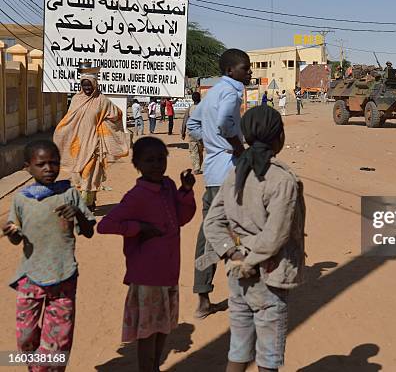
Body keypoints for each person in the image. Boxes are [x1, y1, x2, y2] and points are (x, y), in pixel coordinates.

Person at [202, 105, 305, 372]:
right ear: (278, 138)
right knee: (268, 356)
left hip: (236, 273)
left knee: (238, 348)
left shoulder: (236, 172)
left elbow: (212, 222)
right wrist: (251, 260)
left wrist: (233, 254)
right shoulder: (282, 180)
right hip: (269, 275)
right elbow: (276, 235)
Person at [98, 137, 196, 372]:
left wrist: (186, 190)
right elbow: (106, 225)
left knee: (164, 327)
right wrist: (138, 228)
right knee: (148, 331)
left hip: (169, 272)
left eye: (161, 159)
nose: (156, 165)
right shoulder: (136, 196)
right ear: (137, 164)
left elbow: (180, 219)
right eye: (149, 160)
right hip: (147, 277)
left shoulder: (169, 186)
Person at [3, 140, 95, 370]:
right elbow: (17, 238)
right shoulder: (22, 199)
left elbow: (89, 231)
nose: (48, 168)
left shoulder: (69, 194)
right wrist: (11, 232)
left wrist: (77, 214)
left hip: (63, 276)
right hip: (30, 276)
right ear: (28, 167)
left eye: (54, 163)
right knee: (25, 338)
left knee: (59, 341)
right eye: (41, 164)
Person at [187, 48, 252, 319]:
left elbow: (192, 123)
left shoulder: (211, 92)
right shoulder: (231, 92)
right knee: (243, 230)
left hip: (214, 171)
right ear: (230, 71)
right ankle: (245, 293)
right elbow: (226, 123)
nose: (249, 72)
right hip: (229, 172)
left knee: (208, 234)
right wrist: (237, 148)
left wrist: (210, 144)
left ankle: (203, 296)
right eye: (245, 68)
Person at [53, 61, 130, 211]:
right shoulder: (76, 99)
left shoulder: (102, 101)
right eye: (84, 85)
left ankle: (84, 206)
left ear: (95, 84)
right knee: (77, 176)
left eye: (89, 85)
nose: (87, 88)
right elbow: (69, 120)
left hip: (94, 143)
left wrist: (104, 126)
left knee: (89, 174)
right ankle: (91, 201)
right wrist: (61, 132)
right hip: (77, 144)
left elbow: (117, 114)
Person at [182, 92, 204, 175]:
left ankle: (196, 167)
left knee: (193, 151)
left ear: (192, 99)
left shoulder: (190, 109)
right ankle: (198, 167)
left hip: (191, 133)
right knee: (200, 150)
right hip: (201, 133)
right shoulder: (203, 108)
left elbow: (185, 121)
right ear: (200, 98)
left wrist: (183, 132)